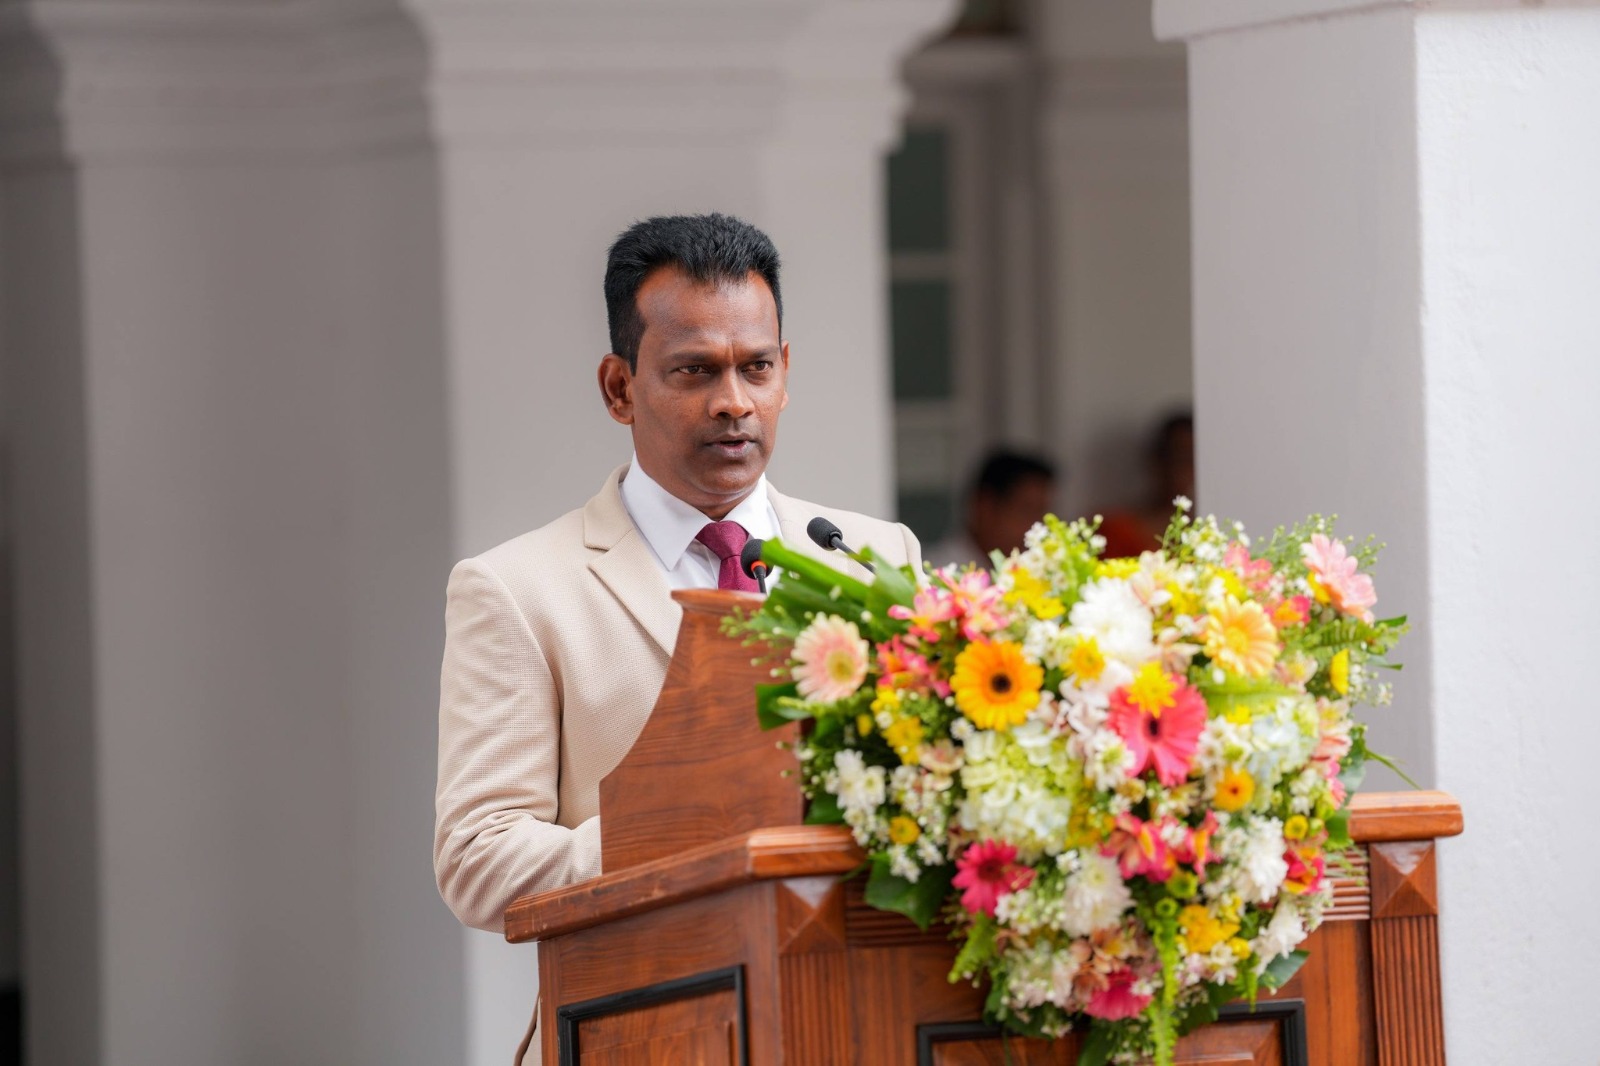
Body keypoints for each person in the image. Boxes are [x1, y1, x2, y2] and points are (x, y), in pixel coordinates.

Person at [433, 214, 923, 939]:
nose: (733, 401)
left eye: (756, 366)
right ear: (619, 387)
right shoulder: (517, 591)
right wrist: (686, 817)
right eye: (695, 370)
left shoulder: (877, 556)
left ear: (784, 373)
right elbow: (479, 859)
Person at [926, 449, 1057, 569]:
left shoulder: (1034, 575)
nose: (1036, 526)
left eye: (1041, 513)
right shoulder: (934, 577)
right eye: (1026, 511)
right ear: (985, 508)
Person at [1097, 411, 1195, 559]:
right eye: (1176, 457)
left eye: (1189, 459)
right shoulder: (1117, 529)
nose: (1182, 469)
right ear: (1156, 460)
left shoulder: (1209, 535)